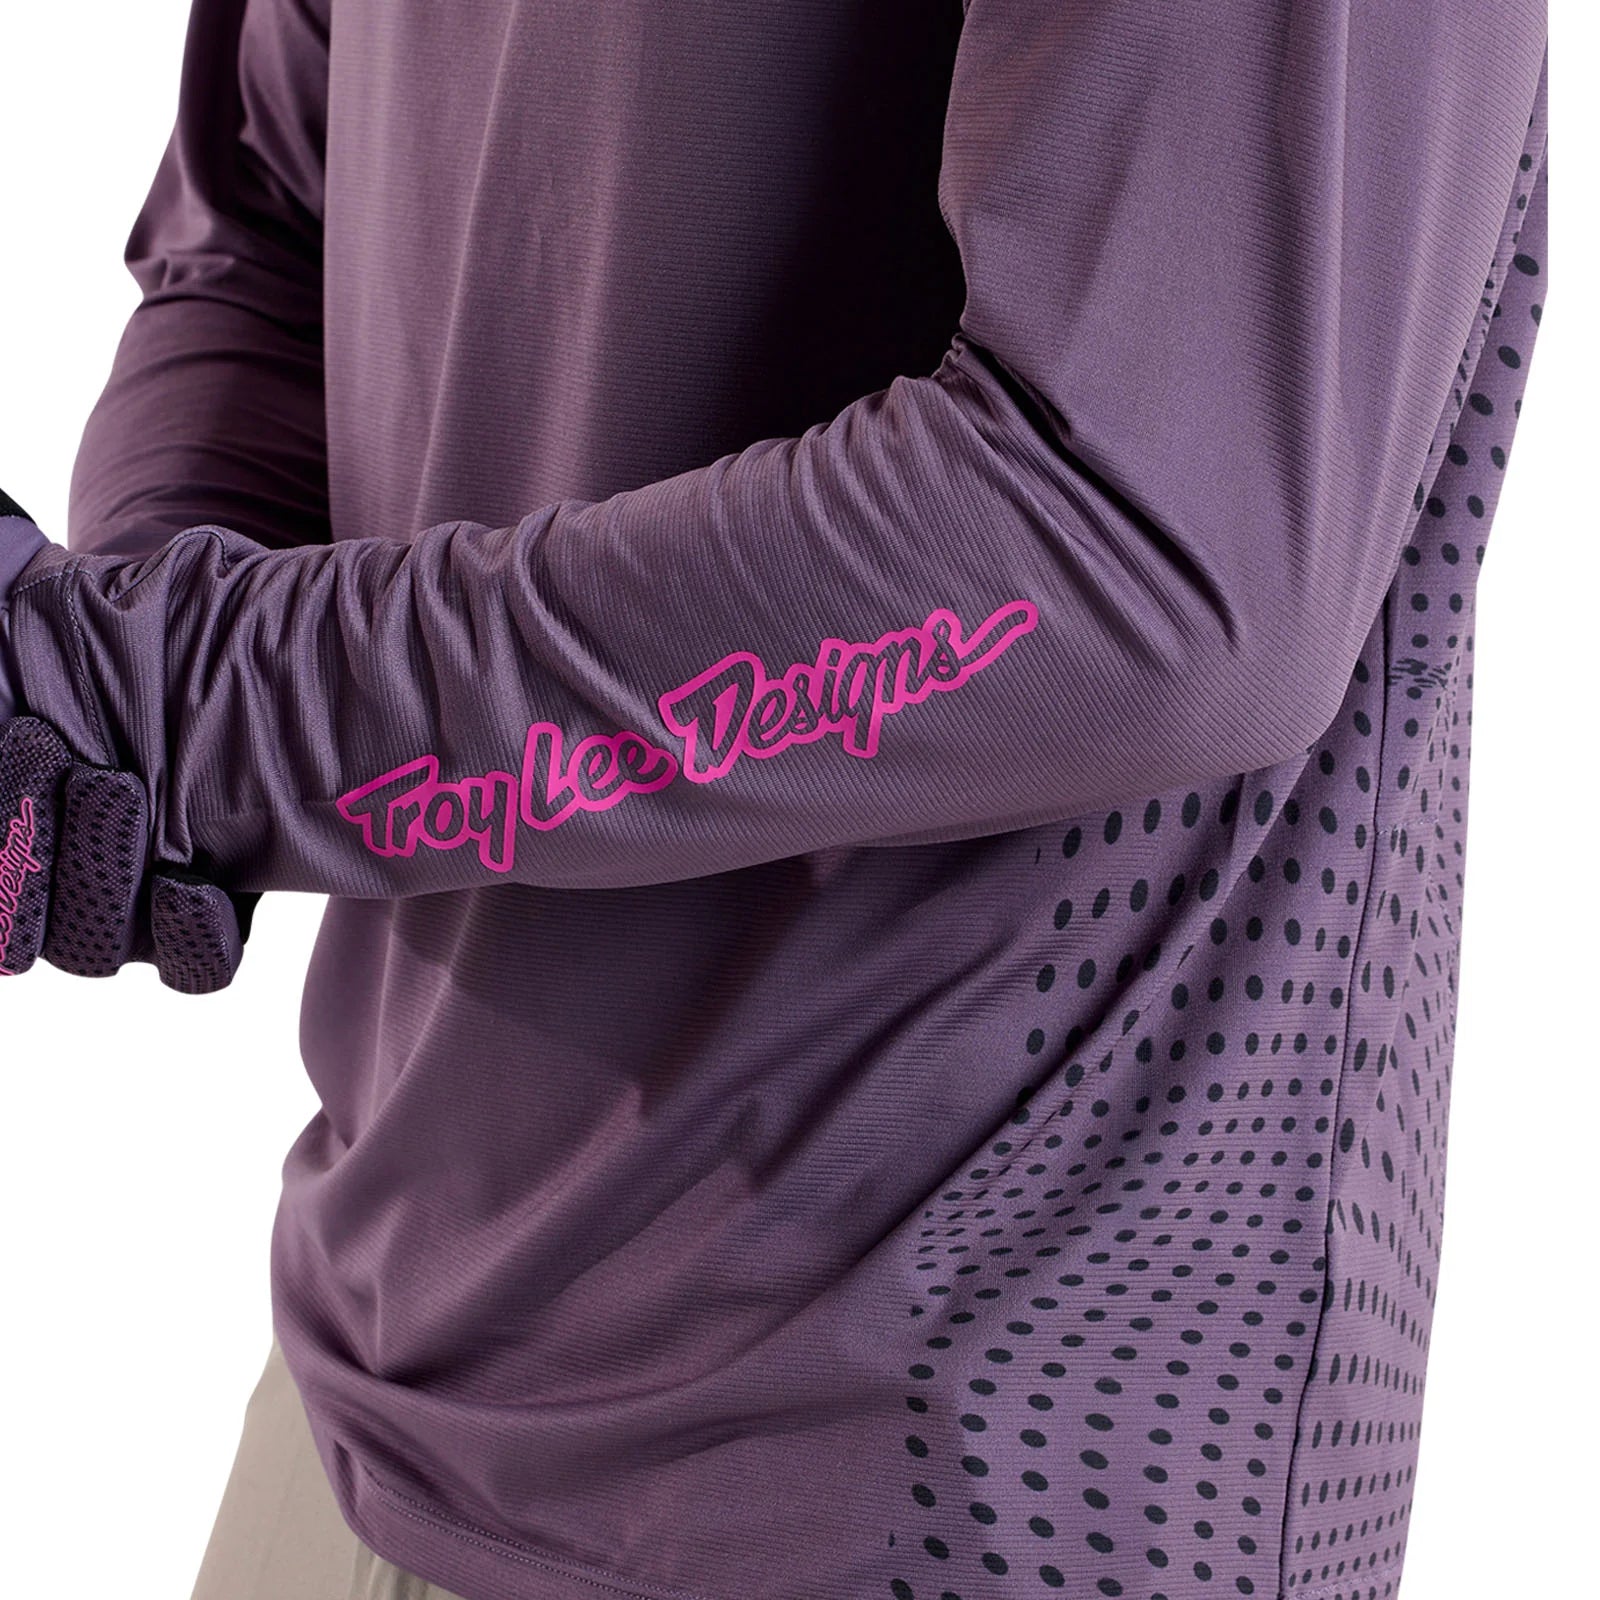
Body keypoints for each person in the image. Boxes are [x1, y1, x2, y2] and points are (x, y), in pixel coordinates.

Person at [0, 0, 1550, 1596]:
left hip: (947, 1467)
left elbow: (1136, 554)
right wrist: (109, 683)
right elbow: (261, 225)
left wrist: (185, 703)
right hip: (374, 1358)